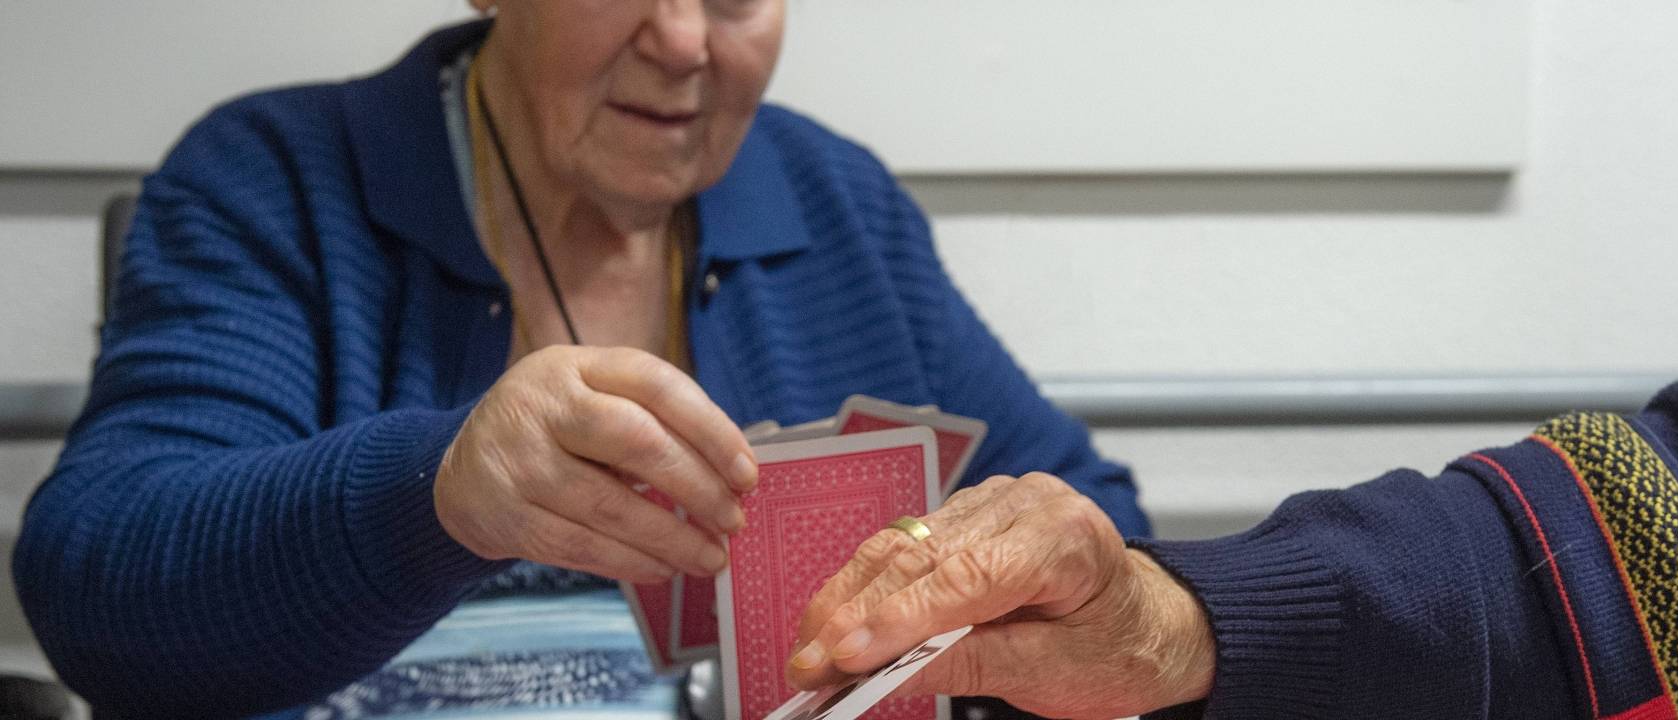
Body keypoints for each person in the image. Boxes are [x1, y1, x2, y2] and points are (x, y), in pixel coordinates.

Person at [9, 2, 1147, 717]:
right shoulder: (277, 182)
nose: (686, 38)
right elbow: (103, 592)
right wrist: (440, 492)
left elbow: (1092, 521)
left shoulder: (834, 200)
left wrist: (1013, 581)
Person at [787, 295, 1678, 720]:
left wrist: (1162, 605)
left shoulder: (838, 202)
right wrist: (1180, 614)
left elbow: (1086, 492)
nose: (685, 42)